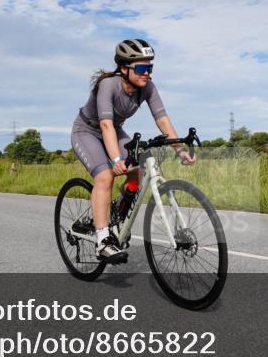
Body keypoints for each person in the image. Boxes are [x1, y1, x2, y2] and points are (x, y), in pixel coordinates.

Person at [71, 39, 194, 263]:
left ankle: (116, 212)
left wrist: (179, 149)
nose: (147, 73)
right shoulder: (109, 85)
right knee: (105, 176)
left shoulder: (147, 87)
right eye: (141, 68)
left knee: (138, 171)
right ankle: (103, 240)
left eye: (150, 68)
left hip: (114, 131)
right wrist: (116, 158)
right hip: (87, 131)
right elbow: (105, 124)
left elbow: (163, 120)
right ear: (125, 69)